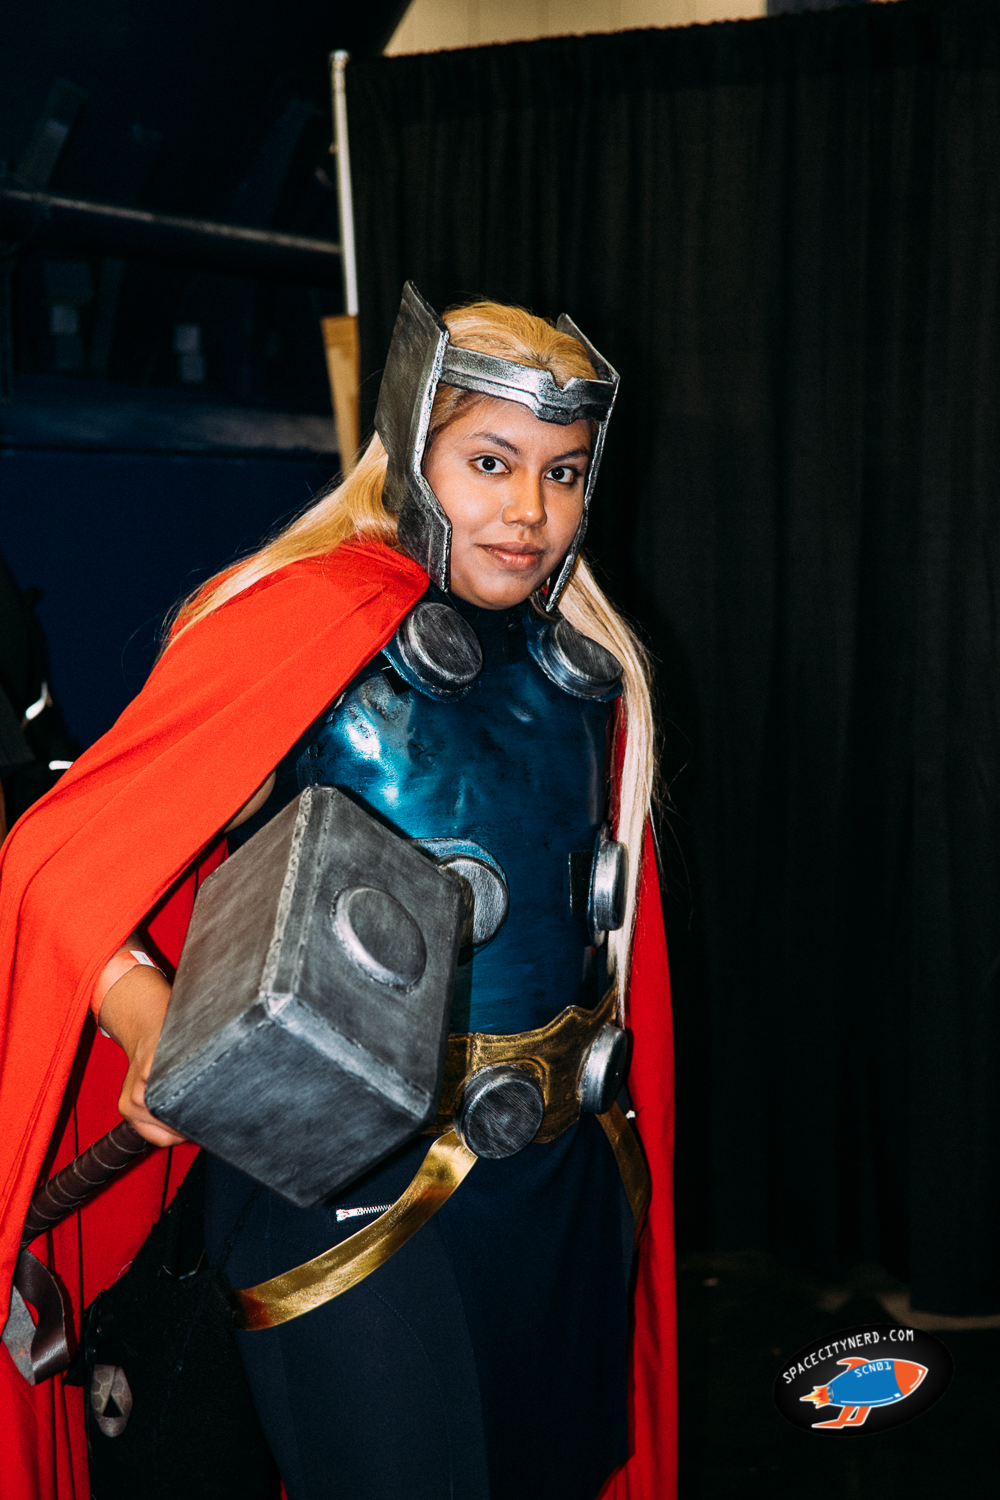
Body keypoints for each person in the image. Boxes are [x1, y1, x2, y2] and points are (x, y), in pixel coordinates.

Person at [0, 286, 676, 1500]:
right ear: (410, 448)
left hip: (560, 1179)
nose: (529, 509)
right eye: (490, 462)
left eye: (564, 472)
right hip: (344, 1183)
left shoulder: (585, 664)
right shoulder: (303, 624)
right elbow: (56, 860)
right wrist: (151, 1021)